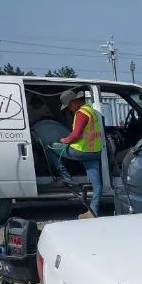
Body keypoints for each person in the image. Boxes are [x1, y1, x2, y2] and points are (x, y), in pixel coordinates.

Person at [50, 89, 103, 219]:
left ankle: (64, 175)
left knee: (51, 148)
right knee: (97, 185)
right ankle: (93, 211)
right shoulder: (91, 111)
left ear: (73, 102)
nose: (68, 109)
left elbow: (75, 135)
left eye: (68, 106)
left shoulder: (81, 114)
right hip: (95, 152)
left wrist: (63, 140)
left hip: (80, 151)